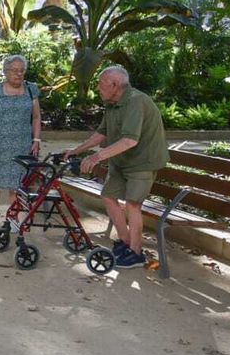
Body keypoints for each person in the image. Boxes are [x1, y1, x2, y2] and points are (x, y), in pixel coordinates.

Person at [68, 65, 169, 270]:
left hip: (142, 162)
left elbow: (129, 141)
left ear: (115, 85)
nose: (98, 88)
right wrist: (77, 150)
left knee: (133, 205)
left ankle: (136, 253)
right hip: (122, 162)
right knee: (108, 195)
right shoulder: (112, 103)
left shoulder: (136, 102)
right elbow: (102, 133)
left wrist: (97, 157)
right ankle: (125, 243)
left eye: (101, 84)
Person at [0, 54, 43, 228]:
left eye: (22, 70)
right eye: (14, 70)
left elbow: (36, 117)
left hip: (21, 146)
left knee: (16, 185)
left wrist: (36, 139)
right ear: (5, 72)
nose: (18, 74)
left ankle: (14, 218)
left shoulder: (30, 90)